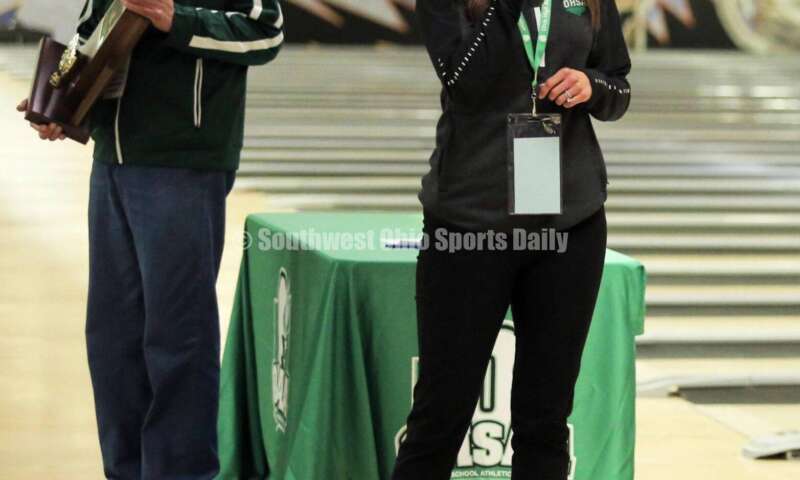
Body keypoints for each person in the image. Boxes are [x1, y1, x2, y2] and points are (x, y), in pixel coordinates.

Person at [16, 0, 283, 478]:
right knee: (112, 338)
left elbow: (266, 33)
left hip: (182, 162)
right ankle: (126, 470)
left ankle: (181, 472)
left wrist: (175, 20)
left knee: (176, 336)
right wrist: (61, 100)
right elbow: (92, 35)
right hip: (113, 160)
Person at [391, 0, 631, 479]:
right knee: (441, 415)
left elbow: (618, 85)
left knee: (545, 418)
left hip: (570, 221)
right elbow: (465, 81)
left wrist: (590, 86)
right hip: (470, 223)